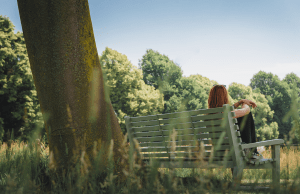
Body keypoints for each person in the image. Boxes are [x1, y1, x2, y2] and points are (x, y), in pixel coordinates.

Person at [205, 85, 263, 161]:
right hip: (232, 152)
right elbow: (246, 111)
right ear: (224, 97)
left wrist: (240, 102)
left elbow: (229, 110)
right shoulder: (227, 113)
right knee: (247, 116)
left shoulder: (208, 115)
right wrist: (245, 104)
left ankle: (250, 151)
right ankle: (251, 151)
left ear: (211, 98)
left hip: (218, 152)